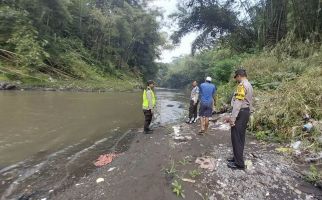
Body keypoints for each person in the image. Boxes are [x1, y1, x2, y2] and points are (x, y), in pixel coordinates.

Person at [225, 69, 253, 170]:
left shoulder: (242, 85)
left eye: (236, 77)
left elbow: (238, 103)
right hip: (245, 112)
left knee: (236, 137)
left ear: (240, 76)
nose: (236, 79)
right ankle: (236, 158)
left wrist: (232, 118)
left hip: (240, 112)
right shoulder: (249, 84)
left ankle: (239, 163)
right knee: (240, 137)